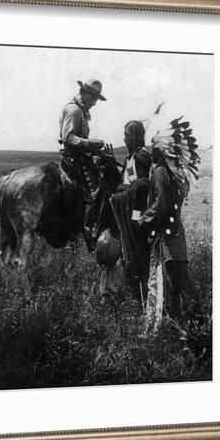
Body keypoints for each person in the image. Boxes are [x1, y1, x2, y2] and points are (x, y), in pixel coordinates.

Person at [136, 118, 199, 330]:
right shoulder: (170, 173)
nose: (151, 152)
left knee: (180, 279)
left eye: (154, 149)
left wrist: (143, 220)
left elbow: (160, 204)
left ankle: (198, 323)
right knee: (174, 280)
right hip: (172, 232)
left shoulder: (160, 172)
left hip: (168, 235)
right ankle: (180, 325)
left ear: (161, 152)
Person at [59, 79, 107, 251]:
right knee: (94, 193)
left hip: (80, 156)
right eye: (93, 98)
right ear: (84, 94)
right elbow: (68, 138)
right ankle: (89, 236)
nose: (94, 103)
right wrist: (89, 143)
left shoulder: (80, 110)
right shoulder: (74, 110)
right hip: (75, 159)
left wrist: (94, 150)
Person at [109, 121, 152, 304]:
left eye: (127, 136)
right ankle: (135, 296)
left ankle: (142, 298)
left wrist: (124, 191)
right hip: (128, 213)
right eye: (124, 136)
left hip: (136, 215)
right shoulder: (131, 156)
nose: (124, 139)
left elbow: (142, 187)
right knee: (129, 255)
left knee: (138, 255)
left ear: (137, 137)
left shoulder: (142, 157)